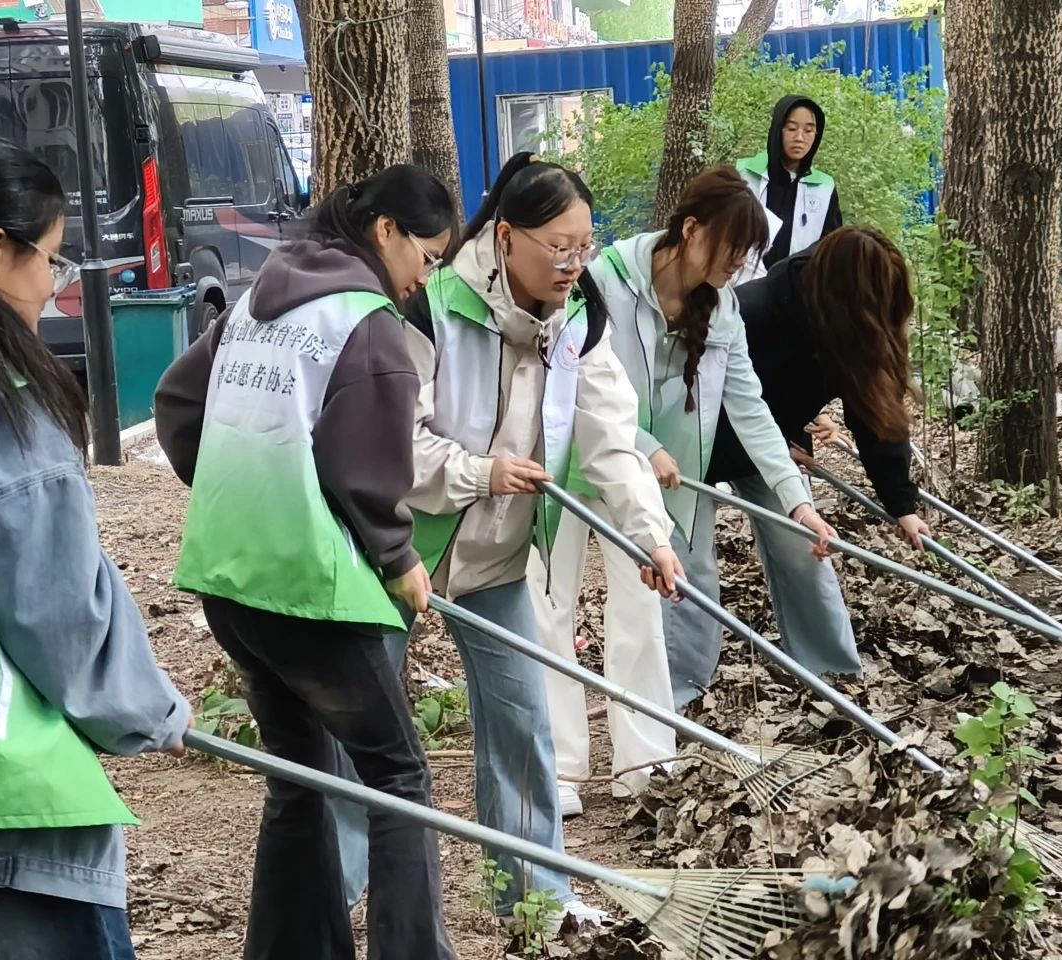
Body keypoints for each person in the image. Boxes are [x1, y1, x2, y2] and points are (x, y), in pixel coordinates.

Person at [154, 164, 457, 960]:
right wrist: (397, 556)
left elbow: (179, 403)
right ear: (386, 231)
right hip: (305, 591)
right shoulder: (366, 322)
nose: (425, 279)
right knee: (398, 780)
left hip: (229, 579)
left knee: (301, 778)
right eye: (427, 257)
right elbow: (366, 468)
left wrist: (236, 484)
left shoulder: (260, 296)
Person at [400, 152, 682, 926]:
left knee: (523, 723)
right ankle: (345, 884)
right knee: (368, 738)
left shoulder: (580, 319)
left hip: (493, 560)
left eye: (585, 245)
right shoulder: (431, 307)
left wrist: (650, 538)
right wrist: (481, 473)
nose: (573, 263)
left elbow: (611, 440)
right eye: (558, 246)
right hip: (395, 549)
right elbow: (393, 444)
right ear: (506, 238)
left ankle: (533, 899)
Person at [531, 166, 841, 770]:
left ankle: (644, 762)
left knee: (643, 609)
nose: (740, 263)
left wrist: (797, 503)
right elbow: (573, 380)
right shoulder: (606, 278)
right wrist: (644, 443)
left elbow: (751, 410)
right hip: (569, 458)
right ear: (692, 230)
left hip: (643, 482)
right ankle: (559, 766)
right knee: (553, 605)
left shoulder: (722, 311)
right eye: (732, 247)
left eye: (750, 252)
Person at [0, 138, 191, 960]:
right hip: (18, 799)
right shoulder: (15, 417)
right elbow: (57, 614)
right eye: (50, 258)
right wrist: (148, 711)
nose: (53, 284)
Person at [678, 226, 930, 702]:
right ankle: (682, 691)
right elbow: (713, 397)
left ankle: (830, 672)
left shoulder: (855, 326)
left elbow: (874, 414)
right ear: (845, 295)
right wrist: (773, 438)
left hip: (771, 448)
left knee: (804, 548)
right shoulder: (756, 310)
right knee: (691, 567)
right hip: (694, 444)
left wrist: (902, 505)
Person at [736, 95, 843, 270]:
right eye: (792, 128)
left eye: (809, 131)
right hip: (742, 281)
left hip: (797, 283)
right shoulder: (744, 175)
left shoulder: (824, 188)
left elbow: (831, 246)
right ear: (778, 129)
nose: (800, 137)